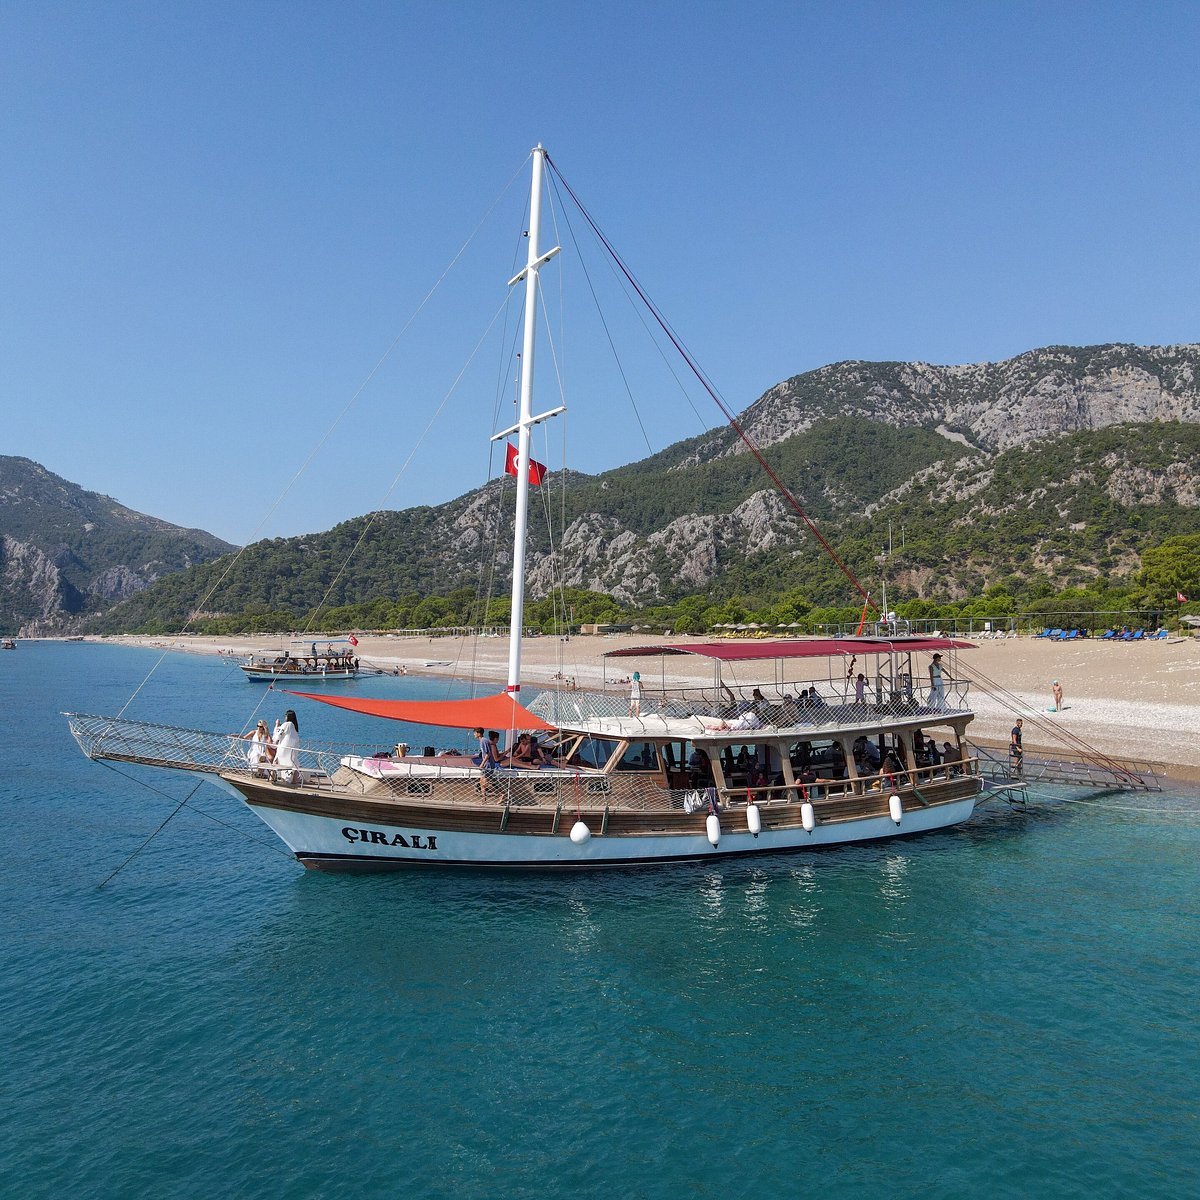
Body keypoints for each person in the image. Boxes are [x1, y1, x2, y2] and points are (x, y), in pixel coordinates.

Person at [273, 710, 300, 784]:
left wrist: (277, 725)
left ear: (288, 716)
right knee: (294, 765)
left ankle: (273, 779)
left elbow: (277, 735)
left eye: (285, 715)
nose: (284, 717)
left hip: (284, 750)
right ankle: (294, 781)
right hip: (291, 751)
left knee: (278, 763)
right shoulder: (294, 727)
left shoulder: (287, 724)